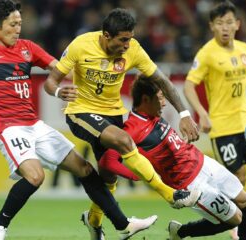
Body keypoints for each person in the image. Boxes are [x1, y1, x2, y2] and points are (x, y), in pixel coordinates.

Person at [0, 1, 187, 240]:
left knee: (87, 170)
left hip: (34, 124)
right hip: (8, 126)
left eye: (20, 23)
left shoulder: (28, 48)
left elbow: (61, 67)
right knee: (36, 175)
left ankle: (122, 225)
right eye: (12, 24)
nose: (18, 29)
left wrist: (78, 75)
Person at [44, 8, 201, 240]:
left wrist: (185, 113)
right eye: (123, 40)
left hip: (113, 114)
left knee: (108, 176)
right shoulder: (81, 45)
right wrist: (58, 91)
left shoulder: (134, 49)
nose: (128, 45)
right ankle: (170, 195)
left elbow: (162, 81)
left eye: (130, 38)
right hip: (81, 111)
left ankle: (94, 221)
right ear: (106, 35)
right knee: (124, 140)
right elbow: (50, 81)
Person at [99, 76, 246, 240]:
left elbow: (163, 143)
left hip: (203, 162)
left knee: (245, 200)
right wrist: (137, 175)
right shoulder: (132, 130)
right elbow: (107, 161)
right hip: (190, 184)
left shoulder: (153, 114)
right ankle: (181, 232)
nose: (164, 103)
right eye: (160, 98)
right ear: (146, 99)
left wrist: (182, 141)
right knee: (235, 219)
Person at [183, 2, 246, 238]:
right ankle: (235, 219)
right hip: (222, 127)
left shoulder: (245, 48)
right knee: (239, 178)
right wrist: (201, 113)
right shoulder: (206, 53)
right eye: (219, 23)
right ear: (211, 26)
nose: (224, 28)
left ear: (237, 24)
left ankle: (238, 210)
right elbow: (188, 85)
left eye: (228, 22)